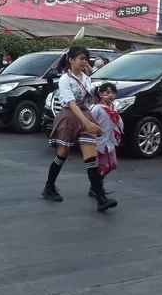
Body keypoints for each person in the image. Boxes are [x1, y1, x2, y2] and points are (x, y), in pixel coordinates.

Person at [44, 46, 117, 212]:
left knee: (91, 158)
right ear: (71, 60)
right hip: (69, 117)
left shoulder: (86, 78)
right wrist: (87, 122)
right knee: (62, 154)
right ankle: (49, 187)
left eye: (86, 59)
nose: (84, 62)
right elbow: (70, 103)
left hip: (85, 116)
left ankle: (100, 197)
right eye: (81, 58)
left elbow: (88, 102)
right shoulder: (65, 80)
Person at [89, 82, 124, 197]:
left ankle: (97, 183)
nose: (111, 95)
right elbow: (91, 122)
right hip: (100, 142)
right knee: (99, 165)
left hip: (110, 142)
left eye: (113, 93)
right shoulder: (97, 109)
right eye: (107, 92)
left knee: (111, 165)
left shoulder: (113, 107)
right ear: (100, 94)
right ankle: (96, 187)